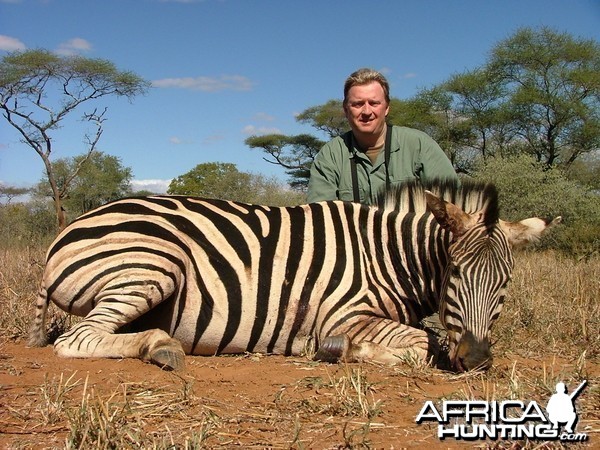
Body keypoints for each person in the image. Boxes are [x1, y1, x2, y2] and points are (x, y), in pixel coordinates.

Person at [307, 68, 458, 204]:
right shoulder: (329, 156)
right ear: (346, 110)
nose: (366, 111)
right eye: (358, 104)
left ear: (386, 108)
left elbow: (453, 207)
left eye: (374, 103)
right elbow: (320, 217)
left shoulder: (420, 145)